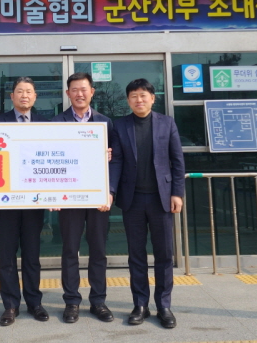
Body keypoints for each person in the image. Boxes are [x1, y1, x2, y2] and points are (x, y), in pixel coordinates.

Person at [108, 79, 185, 329]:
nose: (138, 100)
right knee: (136, 255)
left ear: (153, 98)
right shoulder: (120, 125)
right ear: (128, 100)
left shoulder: (167, 123)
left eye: (143, 95)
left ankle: (164, 305)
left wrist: (177, 193)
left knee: (164, 254)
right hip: (132, 200)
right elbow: (116, 161)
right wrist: (111, 190)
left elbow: (177, 161)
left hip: (161, 199)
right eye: (133, 96)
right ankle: (140, 304)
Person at [51, 72, 114, 323]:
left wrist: (109, 191)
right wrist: (53, 195)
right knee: (70, 250)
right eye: (74, 89)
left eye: (84, 89)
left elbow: (116, 161)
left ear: (92, 92)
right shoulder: (56, 122)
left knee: (99, 250)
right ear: (68, 93)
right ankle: (72, 302)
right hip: (69, 198)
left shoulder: (105, 123)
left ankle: (98, 301)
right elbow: (51, 159)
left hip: (97, 198)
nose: (80, 94)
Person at [0, 77, 49, 326]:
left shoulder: (46, 124)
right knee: (7, 255)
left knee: (32, 254)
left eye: (29, 92)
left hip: (34, 201)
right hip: (6, 201)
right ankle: (10, 305)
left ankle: (35, 302)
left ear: (35, 97)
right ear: (12, 96)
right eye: (19, 91)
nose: (24, 95)